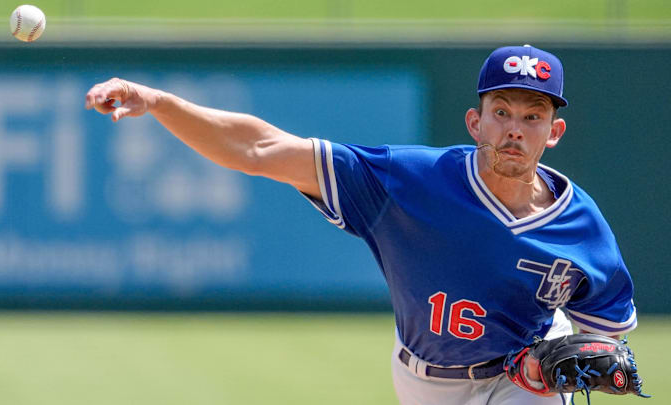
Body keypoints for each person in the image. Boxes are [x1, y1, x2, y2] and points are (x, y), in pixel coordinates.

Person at [85, 45, 638, 405]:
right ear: (475, 121)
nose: (515, 128)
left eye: (533, 116)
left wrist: (563, 365)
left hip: (523, 381)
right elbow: (260, 148)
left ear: (555, 131)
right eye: (502, 111)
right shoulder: (407, 180)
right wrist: (157, 102)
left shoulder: (582, 227)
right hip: (425, 380)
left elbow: (607, 342)